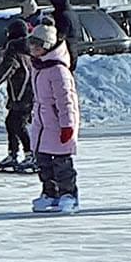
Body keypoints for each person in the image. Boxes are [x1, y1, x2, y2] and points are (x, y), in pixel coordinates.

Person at [27, 23, 81, 213]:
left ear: (48, 46)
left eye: (38, 45)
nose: (34, 49)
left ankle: (68, 195)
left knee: (61, 165)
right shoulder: (38, 66)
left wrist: (67, 126)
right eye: (32, 45)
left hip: (58, 126)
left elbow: (67, 101)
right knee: (44, 163)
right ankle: (50, 193)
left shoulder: (58, 70)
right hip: (42, 125)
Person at [0, 18, 38, 173]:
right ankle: (13, 154)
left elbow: (5, 71)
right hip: (26, 94)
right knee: (11, 122)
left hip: (21, 96)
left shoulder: (15, 51)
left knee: (18, 124)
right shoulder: (28, 50)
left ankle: (30, 154)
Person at [45, 0, 82, 72]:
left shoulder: (62, 16)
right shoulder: (72, 13)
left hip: (63, 52)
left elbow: (60, 35)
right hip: (72, 50)